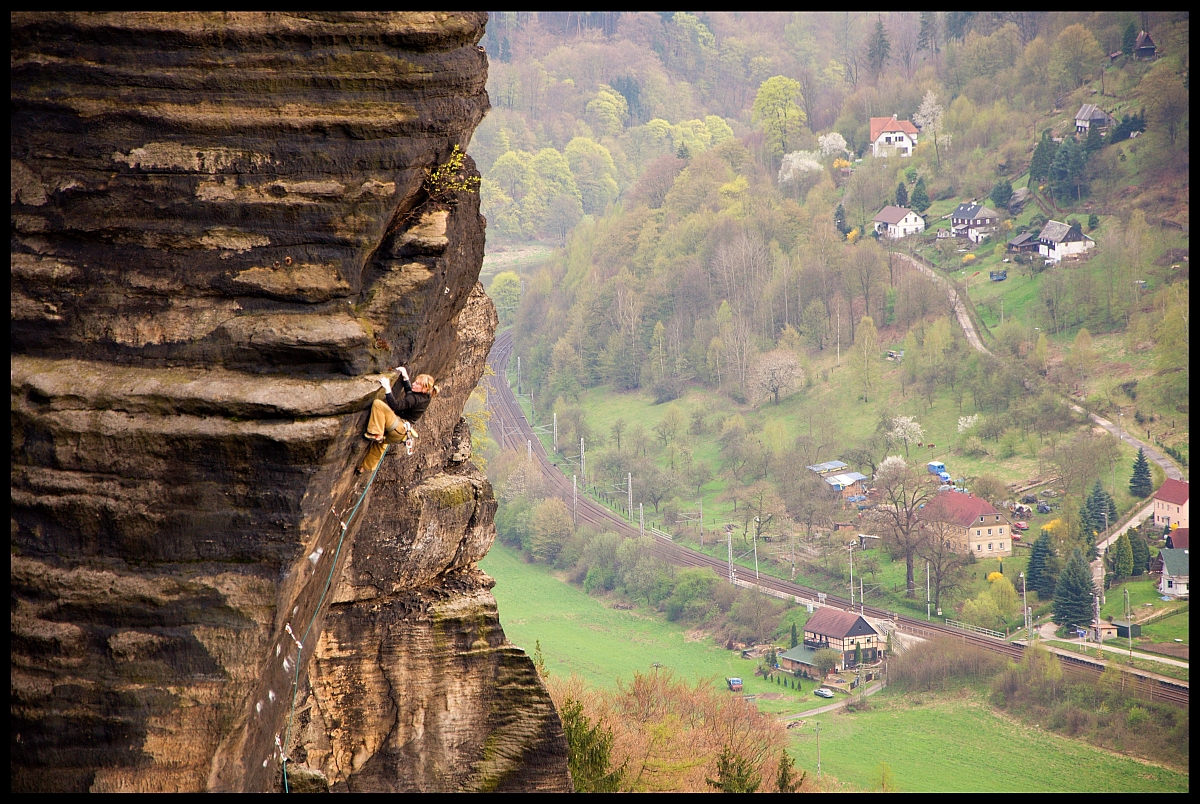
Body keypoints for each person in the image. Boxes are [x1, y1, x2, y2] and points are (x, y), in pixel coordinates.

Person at [357, 366, 439, 474]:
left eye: (418, 384)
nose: (414, 384)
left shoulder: (414, 399)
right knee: (380, 445)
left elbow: (395, 405)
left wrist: (387, 389)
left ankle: (376, 433)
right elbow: (410, 392)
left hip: (398, 427)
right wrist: (405, 377)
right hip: (400, 433)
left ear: (424, 389)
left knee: (378, 404)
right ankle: (363, 468)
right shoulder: (426, 397)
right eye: (415, 382)